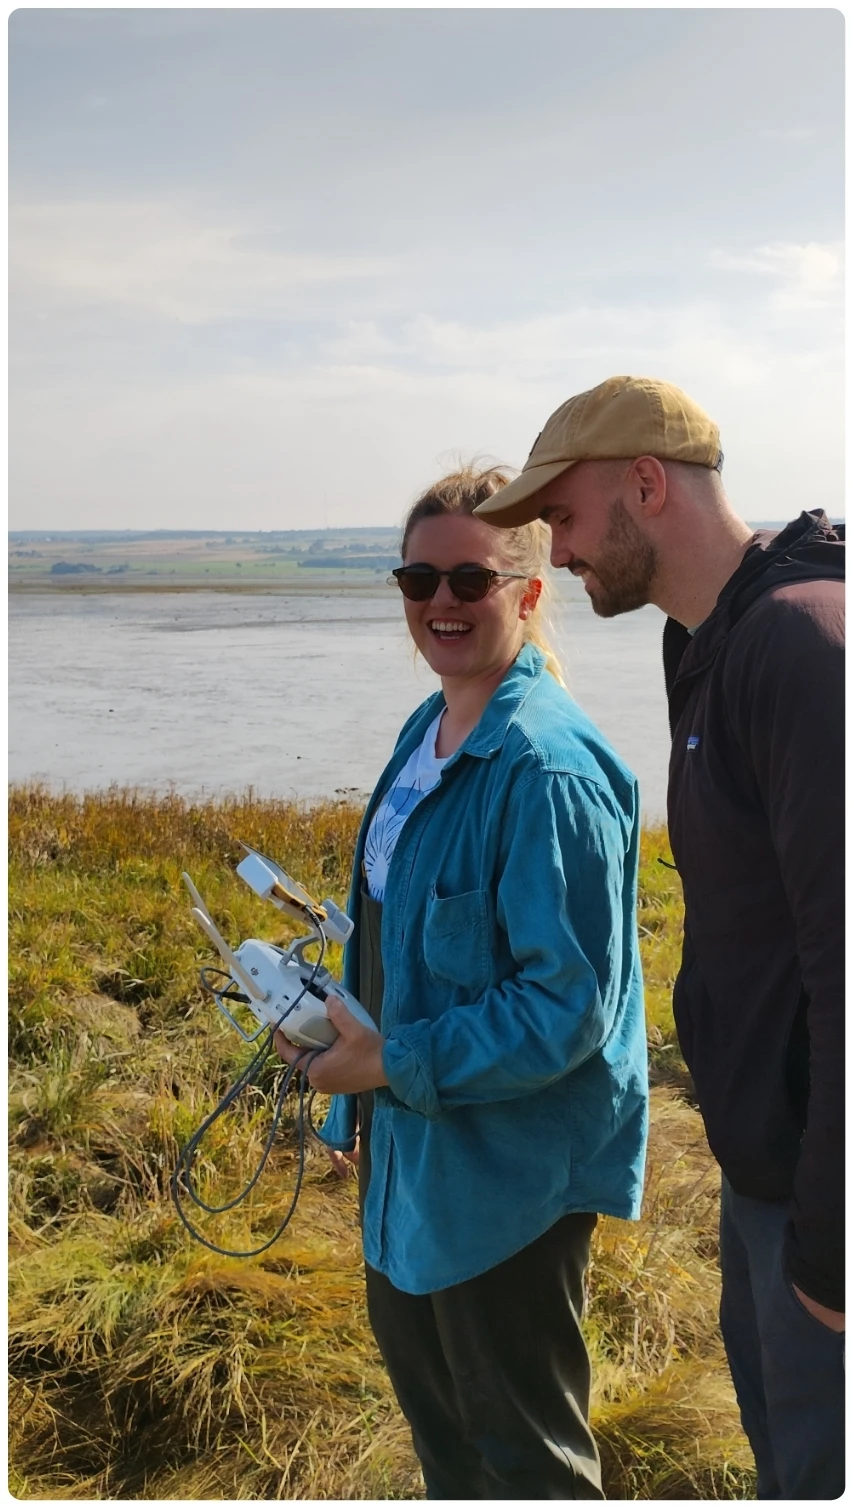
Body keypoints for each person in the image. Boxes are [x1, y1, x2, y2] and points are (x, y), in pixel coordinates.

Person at [474, 375, 845, 1500]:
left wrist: (829, 1247)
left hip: (817, 1204)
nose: (560, 552)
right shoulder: (710, 640)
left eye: (568, 519)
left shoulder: (802, 649)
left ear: (646, 484)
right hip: (765, 1171)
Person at [275, 466, 648, 1500]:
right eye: (416, 578)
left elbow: (565, 1008)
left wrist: (385, 1062)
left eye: (470, 582)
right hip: (411, 1164)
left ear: (529, 593)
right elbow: (388, 938)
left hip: (508, 1184)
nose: (440, 602)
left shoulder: (547, 770)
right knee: (447, 1452)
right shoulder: (424, 732)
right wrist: (342, 1077)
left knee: (522, 1466)